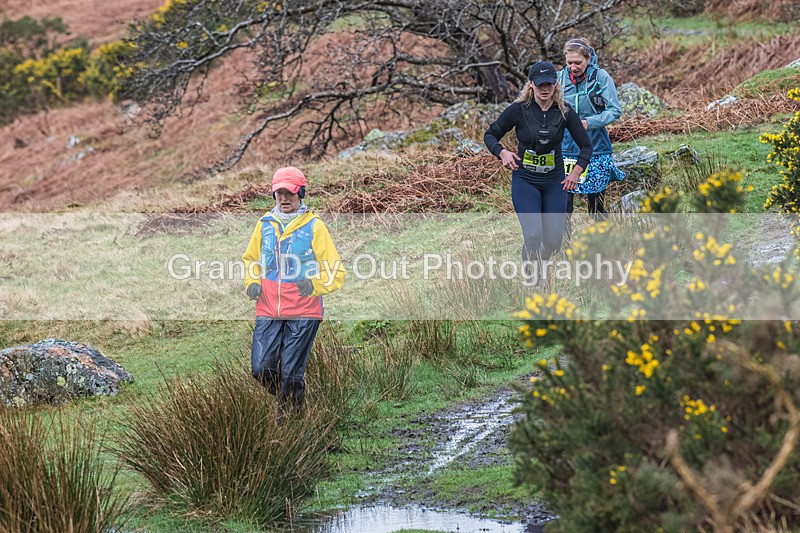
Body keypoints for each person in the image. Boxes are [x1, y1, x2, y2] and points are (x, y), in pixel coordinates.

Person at [242, 166, 345, 415]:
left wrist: (314, 285)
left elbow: (336, 271)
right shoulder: (264, 224)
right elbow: (251, 260)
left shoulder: (315, 226)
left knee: (290, 372)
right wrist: (252, 282)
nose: (284, 198)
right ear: (273, 195)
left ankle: (292, 420)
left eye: (290, 192)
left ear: (301, 193)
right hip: (268, 308)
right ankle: (289, 400)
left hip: (304, 310)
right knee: (261, 369)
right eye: (279, 193)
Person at [484, 61, 592, 283]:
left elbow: (586, 146)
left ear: (556, 86)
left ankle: (537, 262)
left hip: (555, 181)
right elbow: (490, 135)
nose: (545, 89)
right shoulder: (518, 110)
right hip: (526, 180)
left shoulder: (565, 111)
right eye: (540, 84)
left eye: (549, 84)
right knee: (533, 235)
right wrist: (502, 152)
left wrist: (575, 174)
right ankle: (534, 278)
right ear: (531, 84)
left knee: (554, 241)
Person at [559, 37, 624, 219]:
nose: (573, 67)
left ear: (588, 59)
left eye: (578, 63)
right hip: (565, 148)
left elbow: (614, 111)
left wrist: (589, 122)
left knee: (595, 207)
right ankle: (563, 246)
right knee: (564, 207)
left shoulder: (601, 77)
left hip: (596, 147)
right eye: (569, 62)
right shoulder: (559, 79)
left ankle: (603, 243)